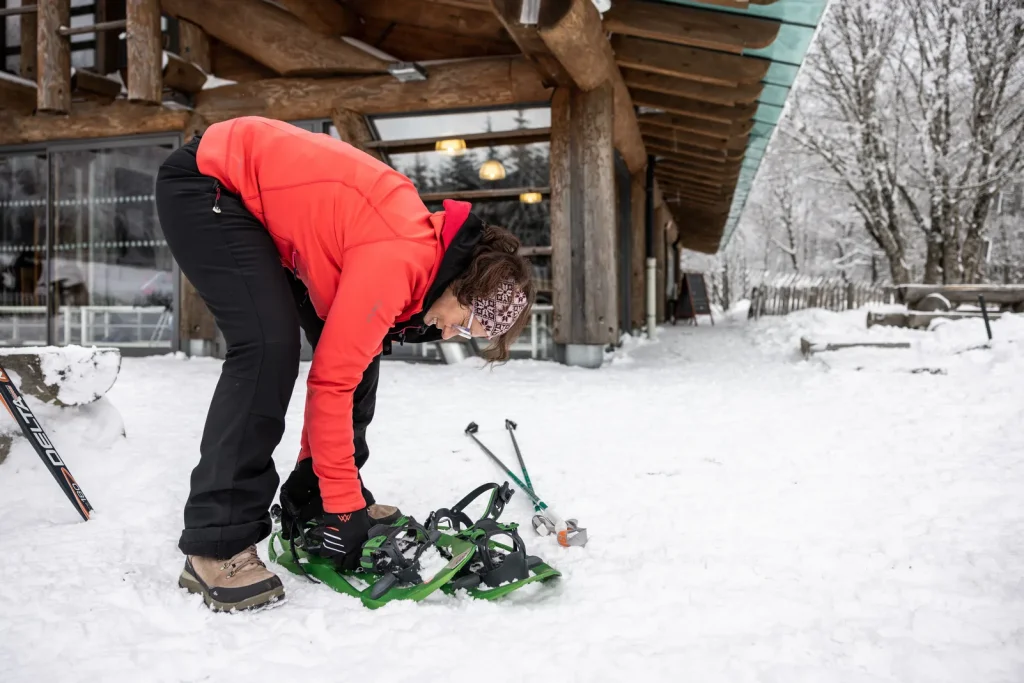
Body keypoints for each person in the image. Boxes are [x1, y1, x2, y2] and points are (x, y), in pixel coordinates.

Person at [155, 116, 534, 612]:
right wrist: (347, 510)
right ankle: (215, 544)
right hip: (211, 183)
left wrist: (339, 498)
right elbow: (329, 385)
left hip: (258, 203)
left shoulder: (418, 258)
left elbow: (346, 369)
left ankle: (312, 502)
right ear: (466, 288)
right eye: (465, 326)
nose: (451, 336)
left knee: (361, 354)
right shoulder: (397, 259)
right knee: (267, 350)